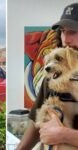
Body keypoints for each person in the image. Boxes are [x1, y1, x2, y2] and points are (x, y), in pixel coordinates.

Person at [17, 3, 78, 150]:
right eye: (63, 32)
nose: (66, 39)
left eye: (73, 32)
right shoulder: (53, 76)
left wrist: (65, 135)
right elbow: (36, 124)